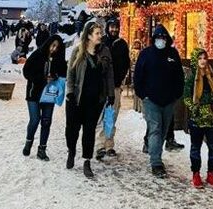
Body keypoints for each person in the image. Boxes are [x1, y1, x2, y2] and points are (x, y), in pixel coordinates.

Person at [133, 25, 184, 178]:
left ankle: (153, 148)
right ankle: (156, 162)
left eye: (163, 38)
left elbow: (179, 75)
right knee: (155, 128)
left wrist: (176, 94)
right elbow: (138, 76)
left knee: (163, 130)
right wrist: (142, 94)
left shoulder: (173, 54)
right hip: (151, 100)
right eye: (158, 37)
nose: (160, 40)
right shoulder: (146, 54)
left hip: (168, 100)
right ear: (154, 39)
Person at [65, 21, 113, 178]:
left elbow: (109, 74)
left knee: (89, 131)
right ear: (89, 35)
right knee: (72, 130)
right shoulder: (78, 51)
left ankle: (87, 161)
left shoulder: (104, 51)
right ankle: (71, 151)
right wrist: (70, 92)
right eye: (97, 33)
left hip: (95, 100)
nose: (100, 36)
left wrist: (110, 94)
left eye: (100, 33)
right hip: (77, 98)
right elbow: (70, 73)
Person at [23, 35, 67, 161]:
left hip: (49, 94)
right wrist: (42, 79)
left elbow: (64, 73)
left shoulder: (59, 59)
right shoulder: (38, 55)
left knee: (46, 121)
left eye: (57, 47)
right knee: (35, 119)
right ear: (48, 44)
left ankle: (42, 149)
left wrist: (55, 76)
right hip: (34, 93)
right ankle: (29, 141)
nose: (54, 49)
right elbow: (26, 72)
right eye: (53, 45)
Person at [184, 48, 213, 189]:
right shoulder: (191, 79)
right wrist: (196, 109)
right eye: (200, 58)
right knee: (196, 147)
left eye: (205, 58)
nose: (203, 61)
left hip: (212, 119)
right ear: (195, 60)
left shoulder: (212, 76)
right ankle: (196, 173)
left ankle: (211, 173)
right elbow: (187, 97)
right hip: (197, 119)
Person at [96, 18, 130, 160]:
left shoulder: (122, 44)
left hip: (115, 86)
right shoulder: (101, 42)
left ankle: (109, 144)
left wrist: (121, 80)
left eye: (116, 27)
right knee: (100, 116)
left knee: (112, 115)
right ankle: (99, 145)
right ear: (107, 28)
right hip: (101, 87)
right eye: (112, 27)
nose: (114, 29)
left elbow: (126, 63)